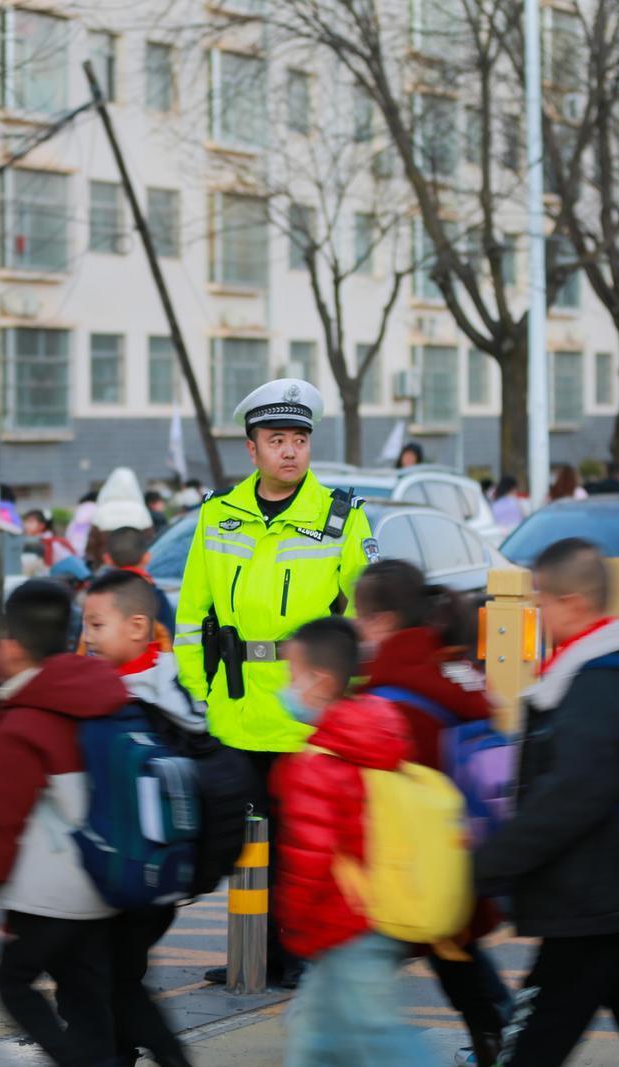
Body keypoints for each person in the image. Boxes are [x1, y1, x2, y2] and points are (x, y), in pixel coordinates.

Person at [174, 377, 375, 988]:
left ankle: (295, 954)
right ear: (252, 449)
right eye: (276, 439)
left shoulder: (342, 516)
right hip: (234, 708)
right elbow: (190, 616)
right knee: (243, 840)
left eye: (299, 439)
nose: (290, 450)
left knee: (299, 844)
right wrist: (198, 692)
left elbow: (365, 616)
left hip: (306, 709)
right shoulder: (218, 514)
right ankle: (253, 953)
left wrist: (345, 692)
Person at [473, 538, 619, 1067]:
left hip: (594, 904)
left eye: (542, 598)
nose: (539, 612)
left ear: (571, 603)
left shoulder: (596, 683)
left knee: (528, 1053)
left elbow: (571, 795)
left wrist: (486, 867)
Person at [0, 579, 128, 1067]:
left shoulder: (26, 715)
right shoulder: (102, 690)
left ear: (12, 647)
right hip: (107, 880)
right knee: (86, 994)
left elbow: (2, 814)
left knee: (12, 983)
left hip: (51, 893)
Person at [353, 560, 507, 1065]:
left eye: (361, 617)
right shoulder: (456, 668)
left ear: (380, 621)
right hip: (475, 842)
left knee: (382, 960)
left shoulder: (388, 689)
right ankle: (497, 1033)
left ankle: (500, 1032)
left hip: (420, 859)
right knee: (454, 953)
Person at [271, 617, 431, 1066]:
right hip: (374, 912)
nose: (286, 687)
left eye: (291, 675)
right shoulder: (378, 731)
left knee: (381, 1041)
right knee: (315, 1041)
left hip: (343, 925)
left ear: (319, 682)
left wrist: (295, 925)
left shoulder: (318, 761)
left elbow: (310, 857)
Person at [80, 570, 197, 1067]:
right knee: (120, 980)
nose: (85, 636)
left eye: (95, 624)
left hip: (134, 868)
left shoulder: (143, 695)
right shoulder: (165, 683)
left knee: (113, 982)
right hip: (150, 871)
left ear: (135, 627)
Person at [101, 527, 172, 633]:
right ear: (147, 557)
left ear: (107, 559)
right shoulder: (156, 596)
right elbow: (168, 636)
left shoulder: (97, 594)